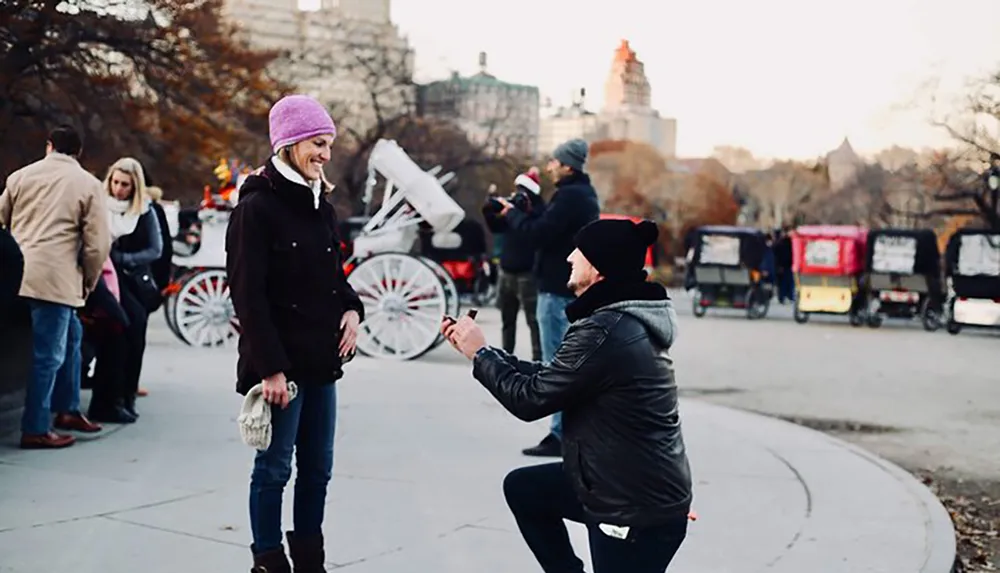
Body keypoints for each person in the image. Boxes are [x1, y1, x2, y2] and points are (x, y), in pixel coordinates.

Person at [442, 217, 691, 573]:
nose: (570, 257)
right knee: (525, 490)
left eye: (581, 252)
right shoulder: (617, 322)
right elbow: (553, 376)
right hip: (625, 487)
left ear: (600, 267)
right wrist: (485, 352)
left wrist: (480, 355)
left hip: (633, 509)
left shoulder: (606, 331)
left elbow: (530, 400)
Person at [226, 94, 365, 573]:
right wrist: (271, 369)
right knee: (274, 469)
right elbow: (248, 296)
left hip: (321, 361)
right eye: (317, 143)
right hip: (281, 367)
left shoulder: (320, 205)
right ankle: (267, 559)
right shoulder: (256, 208)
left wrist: (351, 309)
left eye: (328, 144)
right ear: (288, 143)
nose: (325, 154)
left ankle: (309, 561)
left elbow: (334, 276)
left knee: (318, 471)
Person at [0, 124, 110, 448]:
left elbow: (2, 218)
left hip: (17, 273)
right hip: (55, 279)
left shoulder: (20, 176)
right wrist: (89, 281)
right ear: (78, 152)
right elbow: (97, 244)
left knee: (73, 335)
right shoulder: (88, 184)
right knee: (47, 356)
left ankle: (68, 409)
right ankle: (35, 428)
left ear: (49, 146)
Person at [495, 138, 600, 457]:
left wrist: (511, 214)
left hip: (556, 288)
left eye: (555, 161)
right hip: (564, 287)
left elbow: (540, 233)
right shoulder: (581, 195)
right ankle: (570, 432)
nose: (550, 166)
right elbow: (550, 226)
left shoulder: (570, 196)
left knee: (558, 365)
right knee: (566, 362)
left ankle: (560, 436)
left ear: (568, 165)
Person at [104, 157, 163, 420]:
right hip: (105, 278)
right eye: (116, 182)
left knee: (135, 334)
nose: (119, 189)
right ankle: (111, 397)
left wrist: (125, 260)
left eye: (125, 184)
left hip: (132, 279)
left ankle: (127, 395)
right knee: (116, 335)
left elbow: (156, 249)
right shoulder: (100, 206)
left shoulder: (145, 211)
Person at [482, 168, 544, 360]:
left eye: (524, 190)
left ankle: (538, 360)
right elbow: (496, 228)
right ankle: (506, 357)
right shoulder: (512, 209)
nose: (519, 194)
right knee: (507, 320)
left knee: (533, 321)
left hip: (527, 273)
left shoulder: (541, 212)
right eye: (518, 189)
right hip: (506, 271)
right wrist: (489, 211)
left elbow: (537, 231)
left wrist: (522, 212)